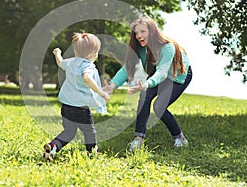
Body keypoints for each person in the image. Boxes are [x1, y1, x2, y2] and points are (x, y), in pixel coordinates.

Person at [104, 16, 193, 150]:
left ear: (152, 31)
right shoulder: (140, 48)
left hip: (178, 75)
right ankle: (138, 139)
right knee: (144, 97)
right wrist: (112, 86)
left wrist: (147, 84)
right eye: (136, 33)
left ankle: (180, 138)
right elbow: (127, 67)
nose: (138, 35)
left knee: (159, 107)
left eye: (142, 31)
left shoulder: (167, 47)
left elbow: (162, 72)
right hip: (158, 74)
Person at [43, 32, 110, 161]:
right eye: (97, 52)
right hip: (80, 108)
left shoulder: (71, 62)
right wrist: (101, 92)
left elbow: (60, 63)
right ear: (92, 54)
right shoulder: (87, 66)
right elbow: (87, 77)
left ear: (75, 50)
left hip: (66, 106)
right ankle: (92, 154)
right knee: (89, 132)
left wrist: (57, 54)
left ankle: (53, 146)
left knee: (68, 132)